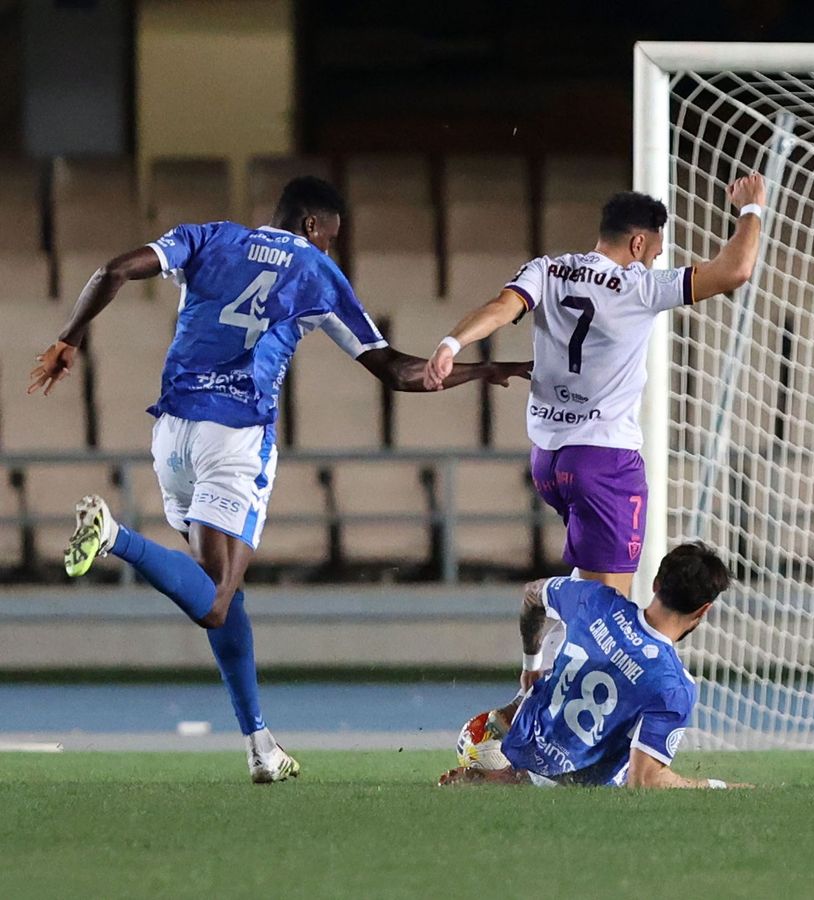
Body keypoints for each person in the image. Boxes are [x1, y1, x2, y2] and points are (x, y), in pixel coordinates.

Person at [28, 176, 530, 783]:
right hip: (234, 438)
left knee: (224, 595)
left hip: (173, 433)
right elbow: (398, 372)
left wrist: (68, 338)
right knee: (215, 599)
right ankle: (114, 536)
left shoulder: (209, 237)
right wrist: (482, 370)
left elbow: (111, 271)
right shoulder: (316, 272)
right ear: (314, 227)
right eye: (332, 239)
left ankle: (260, 745)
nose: (331, 251)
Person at [421, 175, 767, 602]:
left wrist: (451, 344)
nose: (654, 263)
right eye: (655, 254)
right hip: (604, 461)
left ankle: (550, 631)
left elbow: (500, 308)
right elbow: (736, 270)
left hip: (548, 463)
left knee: (590, 588)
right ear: (638, 245)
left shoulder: (546, 269)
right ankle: (551, 626)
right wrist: (751, 209)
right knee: (609, 608)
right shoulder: (640, 287)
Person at [439, 541, 744, 789]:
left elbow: (532, 594)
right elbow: (645, 781)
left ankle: (500, 769)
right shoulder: (673, 686)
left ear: (655, 583)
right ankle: (521, 782)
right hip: (566, 786)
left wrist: (531, 662)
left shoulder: (597, 599)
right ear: (704, 609)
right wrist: (717, 786)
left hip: (517, 741)